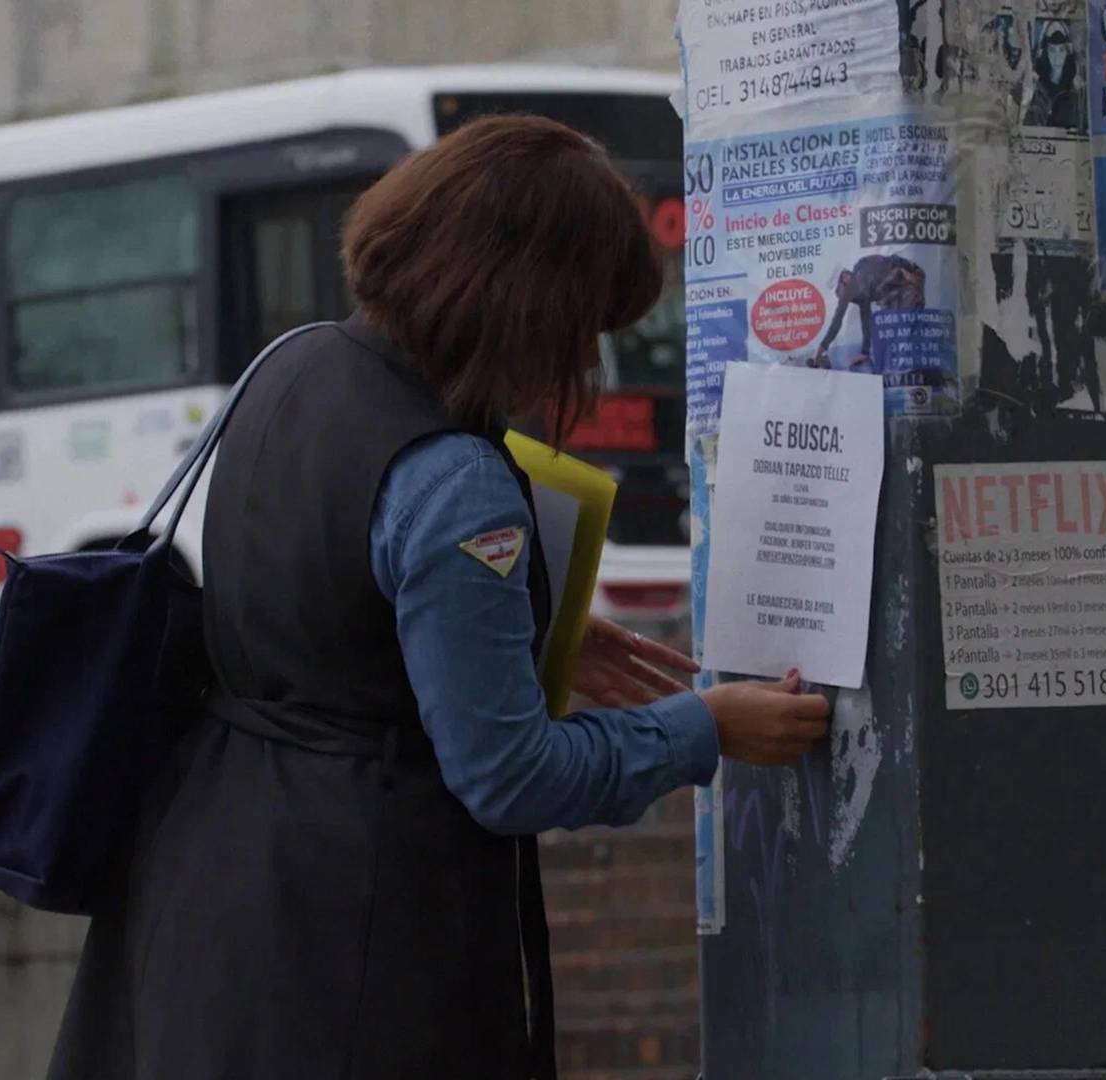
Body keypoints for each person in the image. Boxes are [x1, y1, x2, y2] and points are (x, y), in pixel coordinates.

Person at [47, 116, 831, 1080]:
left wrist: (514, 631)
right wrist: (705, 728)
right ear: (524, 301)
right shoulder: (451, 477)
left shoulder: (288, 365)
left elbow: (311, 608)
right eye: (582, 326)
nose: (582, 366)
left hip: (204, 893)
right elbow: (511, 776)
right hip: (357, 941)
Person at [811, 253, 927, 369]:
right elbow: (842, 319)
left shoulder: (866, 276)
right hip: (893, 286)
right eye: (836, 293)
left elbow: (899, 273)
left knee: (902, 328)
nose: (838, 295)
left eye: (837, 290)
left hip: (909, 276)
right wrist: (822, 347)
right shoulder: (852, 289)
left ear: (845, 278)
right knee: (890, 327)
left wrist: (909, 281)